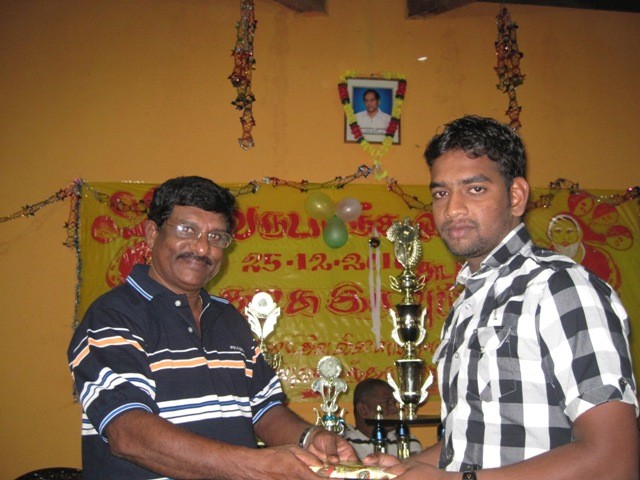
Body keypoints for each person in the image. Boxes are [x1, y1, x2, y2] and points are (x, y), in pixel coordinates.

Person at [363, 115, 639, 479]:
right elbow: (475, 438)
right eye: (441, 193)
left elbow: (614, 460)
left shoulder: (560, 288)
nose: (452, 208)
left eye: (475, 189)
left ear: (516, 196)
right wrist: (406, 468)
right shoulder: (467, 305)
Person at [67, 176, 357, 479]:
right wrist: (254, 466)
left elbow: (263, 410)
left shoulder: (227, 317)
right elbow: (128, 434)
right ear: (152, 234)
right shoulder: (113, 315)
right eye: (187, 230)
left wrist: (310, 438)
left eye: (216, 237)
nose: (203, 248)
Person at [343, 379, 422, 460]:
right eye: (387, 403)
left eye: (394, 403)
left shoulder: (405, 440)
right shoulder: (344, 441)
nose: (395, 408)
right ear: (363, 410)